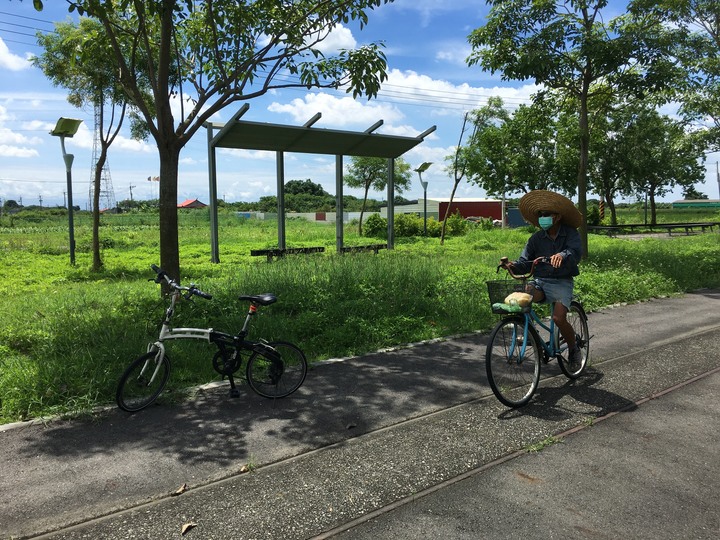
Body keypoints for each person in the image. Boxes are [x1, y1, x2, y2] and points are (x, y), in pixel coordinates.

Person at [502, 190, 583, 364]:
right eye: (540, 215)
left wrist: (562, 255)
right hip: (541, 282)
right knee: (526, 294)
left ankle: (573, 348)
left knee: (558, 318)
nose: (542, 218)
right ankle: (528, 332)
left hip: (562, 282)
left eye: (546, 214)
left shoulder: (570, 234)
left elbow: (576, 252)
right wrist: (513, 265)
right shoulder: (535, 239)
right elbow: (525, 262)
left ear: (558, 216)